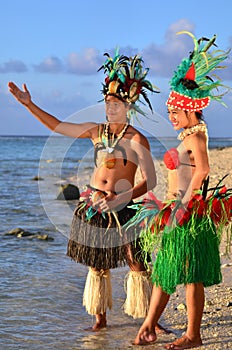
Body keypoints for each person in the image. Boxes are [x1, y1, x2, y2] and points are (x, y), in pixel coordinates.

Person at [8, 49, 167, 332]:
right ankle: (99, 321)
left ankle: (149, 322)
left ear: (128, 106)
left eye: (116, 103)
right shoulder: (97, 131)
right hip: (94, 204)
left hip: (123, 205)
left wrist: (122, 197)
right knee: (97, 263)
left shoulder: (137, 139)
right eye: (107, 102)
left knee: (137, 263)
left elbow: (150, 180)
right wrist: (29, 105)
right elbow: (57, 126)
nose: (110, 108)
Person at [133, 31, 231, 348]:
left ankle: (190, 335)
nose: (170, 116)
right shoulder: (188, 136)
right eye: (170, 111)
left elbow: (203, 170)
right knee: (171, 271)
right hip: (179, 212)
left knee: (181, 273)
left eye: (174, 111)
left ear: (189, 109)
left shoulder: (195, 137)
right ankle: (154, 327)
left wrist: (184, 205)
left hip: (187, 216)